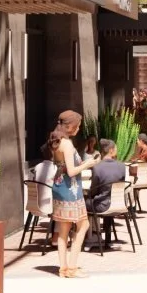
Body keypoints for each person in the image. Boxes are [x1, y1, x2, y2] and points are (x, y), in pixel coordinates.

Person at [45, 111, 95, 276]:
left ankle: (63, 268)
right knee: (84, 225)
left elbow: (61, 166)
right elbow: (72, 171)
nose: (79, 128)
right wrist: (88, 164)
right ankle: (72, 267)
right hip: (70, 190)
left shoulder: (55, 141)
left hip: (59, 189)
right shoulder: (66, 144)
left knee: (63, 229)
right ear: (70, 126)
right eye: (78, 125)